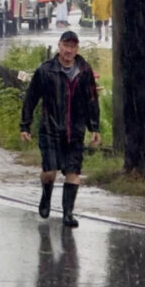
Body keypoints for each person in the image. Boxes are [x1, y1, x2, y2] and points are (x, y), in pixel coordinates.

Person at [19, 30, 101, 227]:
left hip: (76, 130)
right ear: (59, 46)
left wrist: (94, 127)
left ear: (77, 49)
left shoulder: (84, 71)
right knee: (50, 171)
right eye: (66, 46)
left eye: (72, 47)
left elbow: (92, 100)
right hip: (50, 128)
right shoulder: (45, 70)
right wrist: (25, 125)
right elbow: (31, 98)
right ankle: (46, 196)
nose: (68, 50)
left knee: (73, 171)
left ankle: (67, 214)